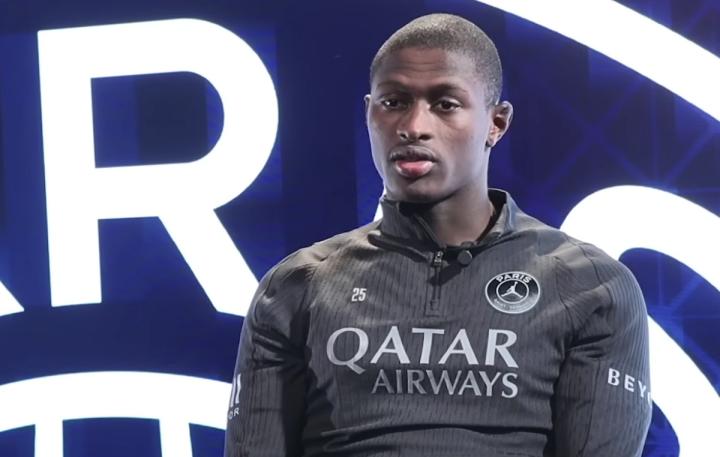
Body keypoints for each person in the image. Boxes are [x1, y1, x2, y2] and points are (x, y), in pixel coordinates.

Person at [224, 13, 652, 457]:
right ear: (369, 113)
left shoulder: (591, 287)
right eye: (394, 102)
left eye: (445, 104)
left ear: (496, 122)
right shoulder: (295, 288)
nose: (414, 126)